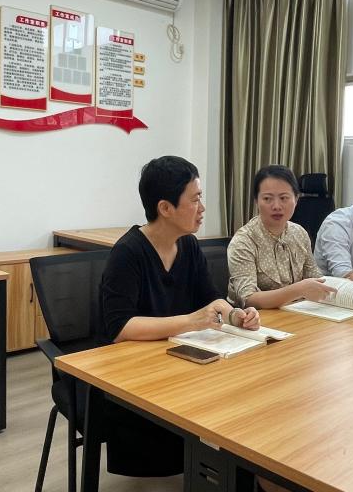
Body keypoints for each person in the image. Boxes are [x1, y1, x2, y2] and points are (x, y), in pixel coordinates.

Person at [99, 155, 261, 477]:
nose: (202, 208)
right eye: (195, 199)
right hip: (133, 376)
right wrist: (192, 320)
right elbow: (120, 327)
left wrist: (235, 315)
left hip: (177, 361)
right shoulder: (128, 253)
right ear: (165, 208)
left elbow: (210, 297)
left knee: (243, 398)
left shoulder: (188, 245)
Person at [227, 165, 338, 309]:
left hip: (295, 313)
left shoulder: (299, 233)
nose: (277, 206)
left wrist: (347, 283)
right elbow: (248, 299)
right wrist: (298, 290)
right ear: (256, 201)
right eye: (267, 199)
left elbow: (315, 278)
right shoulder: (244, 241)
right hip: (255, 318)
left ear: (296, 199)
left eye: (284, 198)